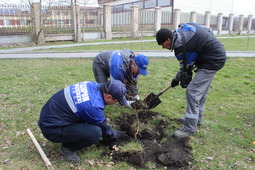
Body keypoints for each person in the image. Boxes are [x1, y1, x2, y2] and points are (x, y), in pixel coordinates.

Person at [156, 23, 226, 138]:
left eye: (162, 44)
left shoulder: (180, 47)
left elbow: (185, 69)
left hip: (212, 60)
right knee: (200, 92)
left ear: (168, 39)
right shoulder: (183, 30)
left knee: (192, 91)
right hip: (212, 56)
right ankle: (195, 120)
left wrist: (176, 79)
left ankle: (189, 129)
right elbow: (207, 30)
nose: (163, 47)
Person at [38, 80, 128, 163]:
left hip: (49, 116)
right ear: (108, 96)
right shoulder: (92, 105)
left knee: (91, 120)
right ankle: (67, 148)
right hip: (52, 129)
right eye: (116, 101)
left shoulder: (91, 84)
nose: (116, 103)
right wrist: (115, 135)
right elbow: (104, 129)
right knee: (96, 133)